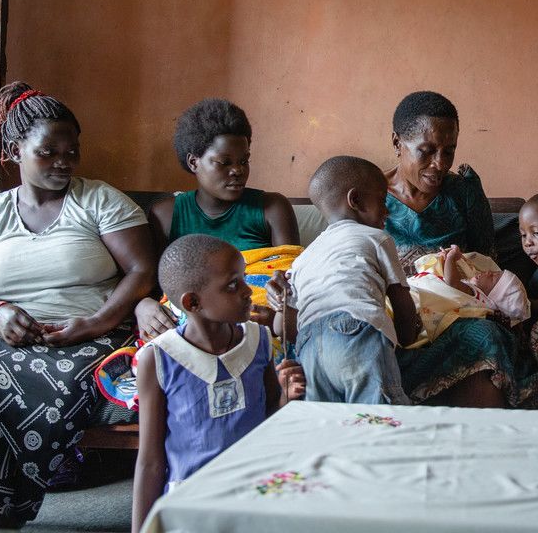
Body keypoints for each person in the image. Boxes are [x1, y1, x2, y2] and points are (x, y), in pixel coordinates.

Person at [0, 82, 157, 530]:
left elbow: (143, 271)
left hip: (92, 337)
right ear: (15, 151)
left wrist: (95, 322)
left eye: (72, 151)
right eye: (49, 152)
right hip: (8, 336)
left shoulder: (98, 200)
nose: (64, 162)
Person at [131, 235, 304, 533]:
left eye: (244, 279)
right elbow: (150, 461)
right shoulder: (158, 358)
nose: (249, 291)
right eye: (233, 285)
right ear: (193, 302)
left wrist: (285, 401)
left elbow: (268, 422)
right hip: (193, 501)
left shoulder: (259, 340)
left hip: (255, 489)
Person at [383, 91, 538, 408]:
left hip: (459, 314)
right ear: (397, 143)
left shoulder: (463, 191)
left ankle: (482, 444)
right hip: (401, 320)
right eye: (426, 152)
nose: (439, 165)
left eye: (448, 152)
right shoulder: (369, 195)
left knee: (485, 335)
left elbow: (488, 265)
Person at [136, 98, 300, 340]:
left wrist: (279, 303)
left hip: (257, 326)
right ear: (194, 162)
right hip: (190, 327)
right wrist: (142, 306)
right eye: (224, 162)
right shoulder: (166, 214)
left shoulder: (272, 208)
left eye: (244, 160)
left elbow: (291, 276)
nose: (238, 170)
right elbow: (157, 285)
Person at [271, 156, 421, 404]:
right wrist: (407, 339)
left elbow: (283, 329)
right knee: (381, 420)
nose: (387, 210)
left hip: (308, 346)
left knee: (331, 426)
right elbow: (401, 300)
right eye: (382, 201)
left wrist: (280, 302)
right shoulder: (376, 237)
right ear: (355, 200)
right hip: (356, 331)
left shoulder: (303, 258)